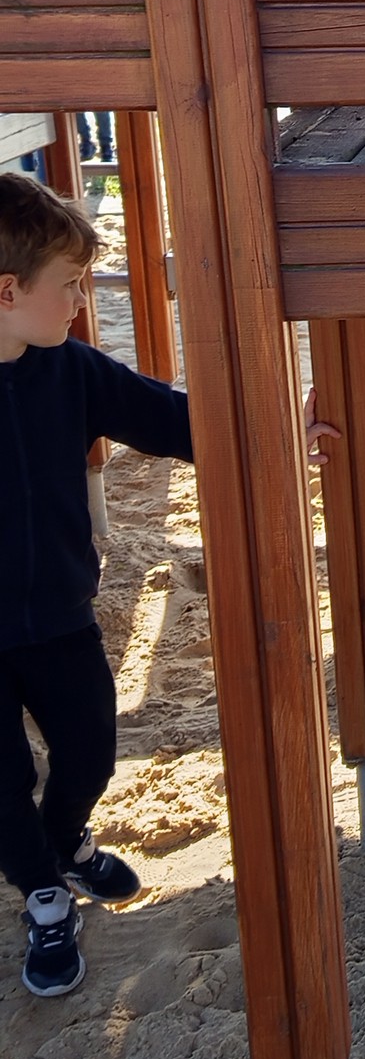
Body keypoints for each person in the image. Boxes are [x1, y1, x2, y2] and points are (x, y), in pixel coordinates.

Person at [0, 173, 192, 997]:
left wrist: (280, 421)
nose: (82, 302)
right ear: (8, 291)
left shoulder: (70, 370)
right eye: (71, 284)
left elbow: (169, 418)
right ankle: (42, 895)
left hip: (60, 618)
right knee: (2, 782)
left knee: (89, 751)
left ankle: (65, 841)